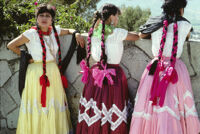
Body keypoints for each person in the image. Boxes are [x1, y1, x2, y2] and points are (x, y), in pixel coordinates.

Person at [7, 3, 85, 134]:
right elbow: (11, 45)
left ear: (51, 19)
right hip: (36, 73)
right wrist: (27, 57)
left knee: (53, 103)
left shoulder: (55, 31)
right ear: (37, 18)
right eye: (41, 15)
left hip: (53, 72)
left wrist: (77, 34)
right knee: (38, 103)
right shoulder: (30, 33)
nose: (44, 18)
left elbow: (70, 30)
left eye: (47, 16)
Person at [129, 0, 200, 133]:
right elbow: (187, 36)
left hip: (155, 68)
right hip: (175, 69)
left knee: (151, 105)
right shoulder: (185, 24)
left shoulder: (155, 23)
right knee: (173, 106)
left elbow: (141, 34)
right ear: (181, 9)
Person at [76, 3, 139, 134]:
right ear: (111, 16)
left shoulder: (93, 32)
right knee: (112, 103)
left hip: (95, 73)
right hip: (113, 75)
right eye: (117, 16)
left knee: (96, 105)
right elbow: (136, 36)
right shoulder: (117, 33)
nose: (118, 19)